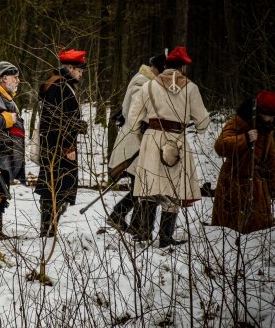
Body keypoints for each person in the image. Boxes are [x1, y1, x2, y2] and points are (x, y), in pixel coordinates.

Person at [128, 46, 210, 247]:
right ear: (182, 67)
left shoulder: (148, 86)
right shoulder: (191, 88)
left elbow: (133, 118)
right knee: (172, 190)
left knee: (150, 188)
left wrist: (143, 136)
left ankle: (145, 232)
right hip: (177, 141)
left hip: (153, 138)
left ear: (165, 65)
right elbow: (203, 123)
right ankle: (165, 236)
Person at [107, 54, 166, 233]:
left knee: (140, 186)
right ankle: (119, 216)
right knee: (140, 187)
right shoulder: (142, 82)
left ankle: (132, 224)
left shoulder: (147, 82)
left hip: (139, 140)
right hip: (134, 141)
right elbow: (136, 110)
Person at [35, 49, 88, 238]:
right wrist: (68, 147)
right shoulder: (60, 86)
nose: (81, 75)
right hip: (58, 146)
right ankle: (48, 229)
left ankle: (49, 228)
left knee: (56, 186)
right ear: (70, 67)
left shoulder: (61, 84)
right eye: (79, 71)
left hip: (54, 145)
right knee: (56, 187)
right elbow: (57, 119)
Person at [211, 90, 275, 234]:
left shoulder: (268, 129)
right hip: (233, 184)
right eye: (268, 115)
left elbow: (271, 160)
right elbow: (220, 146)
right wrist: (245, 139)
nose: (270, 119)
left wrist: (272, 187)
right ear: (259, 111)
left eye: (273, 116)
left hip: (257, 188)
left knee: (257, 234)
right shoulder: (239, 121)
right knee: (229, 234)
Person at [0, 61, 26, 237]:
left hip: (3, 153)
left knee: (2, 191)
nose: (18, 81)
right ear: (4, 77)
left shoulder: (3, 95)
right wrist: (6, 120)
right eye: (15, 77)